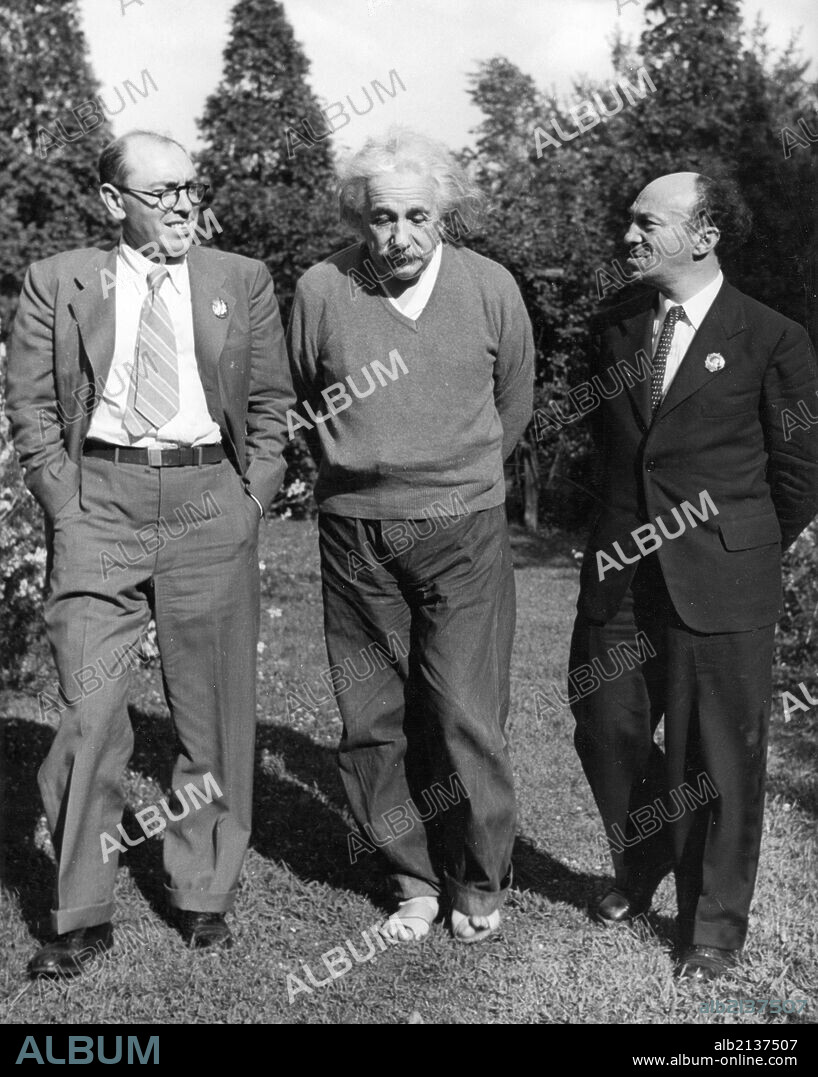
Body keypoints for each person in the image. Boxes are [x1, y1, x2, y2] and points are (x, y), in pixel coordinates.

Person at [5, 130, 294, 976]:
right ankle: (80, 908)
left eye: (189, 187)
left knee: (211, 708)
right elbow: (27, 403)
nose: (180, 204)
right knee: (89, 710)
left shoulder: (240, 279)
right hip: (100, 501)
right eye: (160, 191)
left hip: (210, 502)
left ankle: (202, 889)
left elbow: (273, 403)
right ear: (110, 202)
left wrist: (250, 501)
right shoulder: (59, 280)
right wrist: (64, 499)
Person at [287, 128, 534, 943]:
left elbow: (515, 403)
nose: (399, 236)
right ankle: (410, 875)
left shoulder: (490, 286)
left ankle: (479, 873)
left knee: (465, 707)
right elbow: (301, 394)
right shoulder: (322, 288)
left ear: (446, 213)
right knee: (373, 711)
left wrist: (456, 482)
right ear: (360, 218)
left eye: (418, 214)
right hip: (357, 533)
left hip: (461, 526)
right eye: (382, 217)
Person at [570, 172, 818, 980]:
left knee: (720, 755)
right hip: (619, 573)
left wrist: (736, 546)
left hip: (721, 576)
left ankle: (712, 924)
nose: (628, 238)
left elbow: (800, 471)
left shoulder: (773, 337)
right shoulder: (613, 325)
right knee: (606, 725)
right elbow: (597, 451)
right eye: (628, 222)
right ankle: (641, 866)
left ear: (705, 234)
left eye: (647, 224)